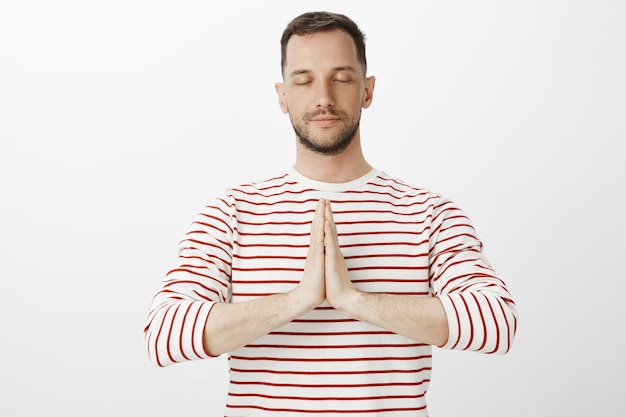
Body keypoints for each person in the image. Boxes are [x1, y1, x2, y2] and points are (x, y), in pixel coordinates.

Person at [144, 11, 518, 417]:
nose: (323, 97)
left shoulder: (427, 213)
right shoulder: (233, 212)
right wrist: (298, 299)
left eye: (341, 77)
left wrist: (354, 299)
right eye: (303, 80)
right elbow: (163, 335)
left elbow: (497, 322)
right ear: (282, 96)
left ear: (367, 90)